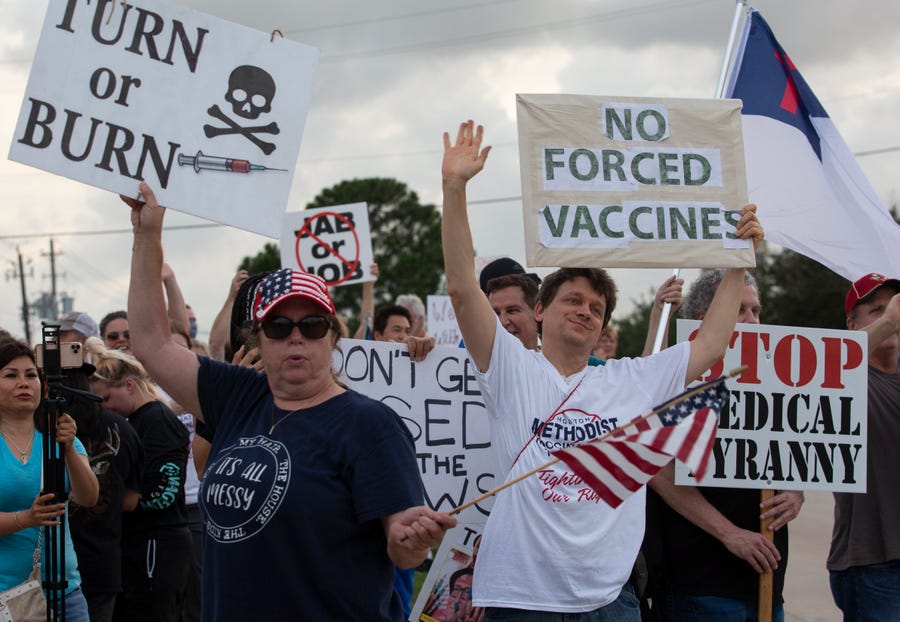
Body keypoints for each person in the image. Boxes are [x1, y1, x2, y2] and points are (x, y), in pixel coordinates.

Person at [440, 120, 763, 619]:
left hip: (611, 601)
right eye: (572, 299)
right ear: (540, 311)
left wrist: (738, 259)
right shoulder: (510, 368)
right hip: (520, 598)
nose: (585, 311)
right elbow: (463, 288)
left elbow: (713, 342)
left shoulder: (630, 379)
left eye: (596, 307)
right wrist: (455, 188)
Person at [121, 181, 456, 621]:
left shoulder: (370, 424)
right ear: (258, 337)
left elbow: (402, 541)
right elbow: (150, 342)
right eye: (278, 326)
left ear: (333, 336)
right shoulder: (235, 395)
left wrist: (408, 541)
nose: (296, 336)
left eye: (313, 325)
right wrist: (148, 236)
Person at [646, 269, 803, 622]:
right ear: (706, 318)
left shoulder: (779, 378)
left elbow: (802, 449)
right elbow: (655, 467)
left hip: (765, 584)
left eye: (757, 310)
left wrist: (796, 491)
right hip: (699, 587)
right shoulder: (675, 377)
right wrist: (729, 534)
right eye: (740, 310)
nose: (753, 320)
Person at [86, 342, 191, 622]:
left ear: (129, 385)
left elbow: (164, 492)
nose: (104, 409)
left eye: (106, 399)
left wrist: (110, 500)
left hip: (158, 540)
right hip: (141, 541)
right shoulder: (136, 420)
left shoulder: (157, 420)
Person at [0, 339, 99, 621]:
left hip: (66, 591)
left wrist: (67, 448)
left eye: (31, 375)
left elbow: (89, 497)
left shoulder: (59, 435)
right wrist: (26, 519)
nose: (24, 383)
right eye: (10, 375)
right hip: (7, 596)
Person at [828, 273, 900, 621]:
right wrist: (888, 324)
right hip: (873, 563)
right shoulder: (841, 377)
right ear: (850, 323)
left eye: (894, 308)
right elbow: (832, 366)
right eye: (876, 310)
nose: (890, 316)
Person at [64, 360, 144, 622]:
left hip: (57, 565)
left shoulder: (38, 431)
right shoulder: (122, 426)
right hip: (101, 563)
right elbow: (131, 500)